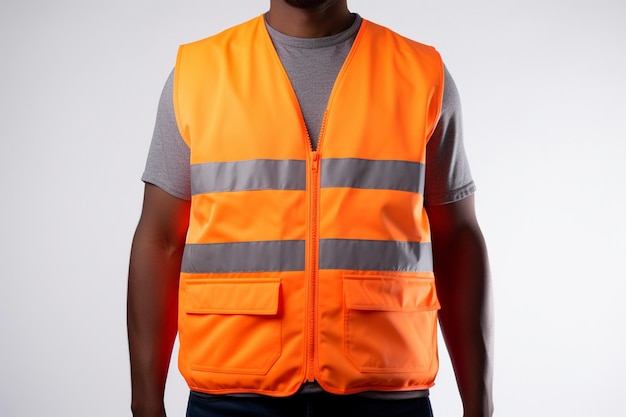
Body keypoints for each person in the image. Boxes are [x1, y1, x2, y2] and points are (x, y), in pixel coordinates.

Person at [127, 1, 494, 416]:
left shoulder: (421, 73)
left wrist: (478, 403)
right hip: (231, 397)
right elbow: (160, 240)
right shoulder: (197, 74)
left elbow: (457, 240)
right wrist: (145, 400)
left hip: (385, 396)